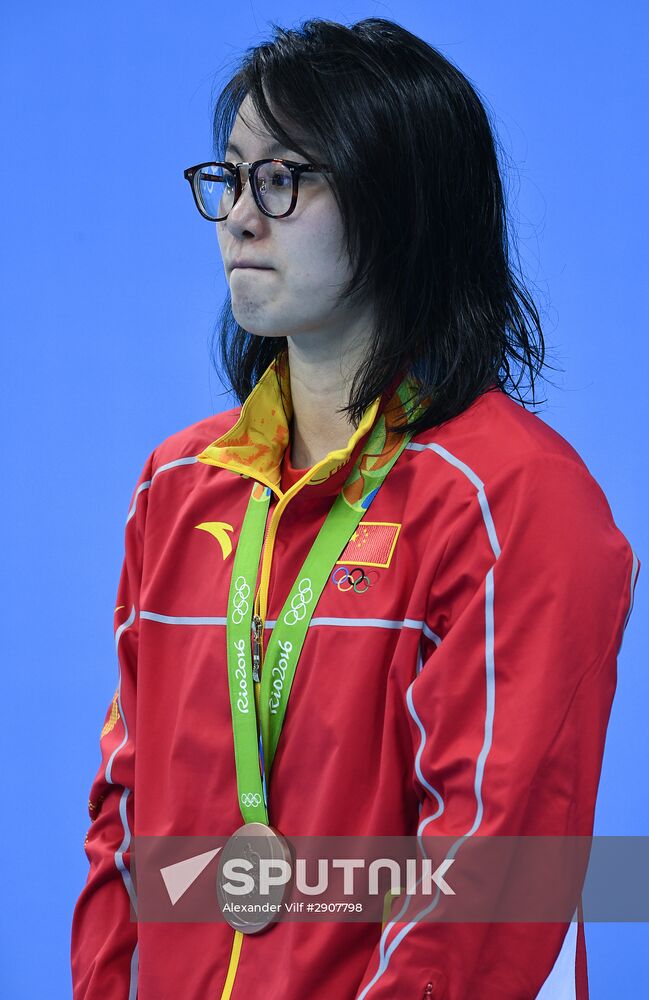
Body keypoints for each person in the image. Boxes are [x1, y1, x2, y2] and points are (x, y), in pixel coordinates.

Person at [70, 16, 640, 1000]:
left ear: (401, 204)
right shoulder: (178, 484)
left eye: (283, 178)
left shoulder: (516, 501)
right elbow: (126, 827)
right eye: (230, 177)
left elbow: (490, 875)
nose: (240, 216)